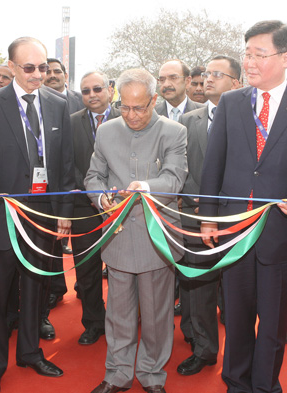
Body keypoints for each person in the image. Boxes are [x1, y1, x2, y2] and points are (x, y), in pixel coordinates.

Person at [198, 20, 287, 392]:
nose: (250, 62)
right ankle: (235, 383)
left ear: (285, 57)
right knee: (237, 319)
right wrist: (209, 220)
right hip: (235, 230)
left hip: (281, 232)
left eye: (259, 54)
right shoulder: (230, 102)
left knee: (273, 323)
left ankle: (265, 386)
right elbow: (214, 163)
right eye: (247, 53)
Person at [0, 36, 74, 393]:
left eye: (43, 67)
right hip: (3, 215)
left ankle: (30, 351)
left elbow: (65, 166)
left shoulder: (60, 104)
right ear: (11, 67)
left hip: (42, 216)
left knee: (36, 288)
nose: (38, 75)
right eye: (29, 68)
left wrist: (63, 213)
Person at [85, 68, 187, 393]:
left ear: (154, 100)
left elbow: (173, 180)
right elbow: (93, 176)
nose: (131, 115)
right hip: (116, 237)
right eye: (124, 107)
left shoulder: (174, 132)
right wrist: (101, 197)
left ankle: (152, 375)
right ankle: (117, 375)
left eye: (139, 107)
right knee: (118, 314)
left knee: (157, 317)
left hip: (156, 239)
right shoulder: (106, 131)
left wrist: (145, 186)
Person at [177, 55, 241, 376]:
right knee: (199, 287)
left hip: (239, 221)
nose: (208, 79)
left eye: (218, 74)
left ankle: (241, 360)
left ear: (237, 83)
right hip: (194, 217)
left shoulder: (251, 121)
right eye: (207, 74)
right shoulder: (189, 121)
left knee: (238, 294)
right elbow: (181, 168)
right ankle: (204, 349)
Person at [69, 71, 120, 345]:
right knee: (87, 271)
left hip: (123, 208)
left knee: (122, 271)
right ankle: (93, 323)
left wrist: (114, 194)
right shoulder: (71, 123)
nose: (91, 95)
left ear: (110, 90)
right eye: (86, 91)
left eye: (97, 89)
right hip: (84, 210)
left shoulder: (127, 118)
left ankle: (121, 323)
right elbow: (69, 165)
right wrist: (94, 194)